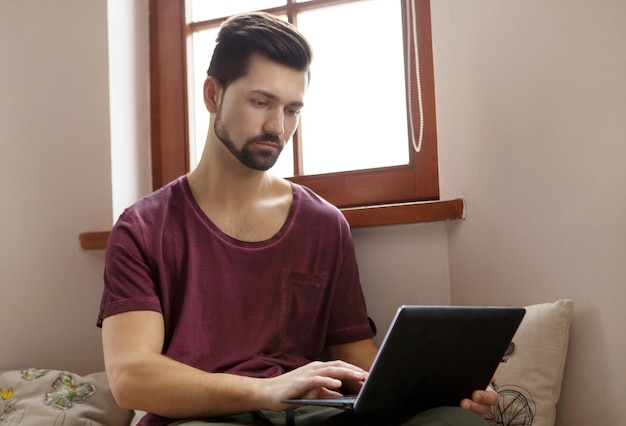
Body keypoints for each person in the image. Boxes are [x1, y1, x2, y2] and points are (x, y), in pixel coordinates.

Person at [98, 11, 497, 426]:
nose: (277, 126)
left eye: (292, 109)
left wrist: (439, 391)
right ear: (213, 95)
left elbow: (359, 362)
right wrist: (267, 390)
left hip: (307, 415)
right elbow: (132, 377)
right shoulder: (142, 229)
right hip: (201, 418)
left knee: (455, 421)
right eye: (261, 102)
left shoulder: (323, 224)